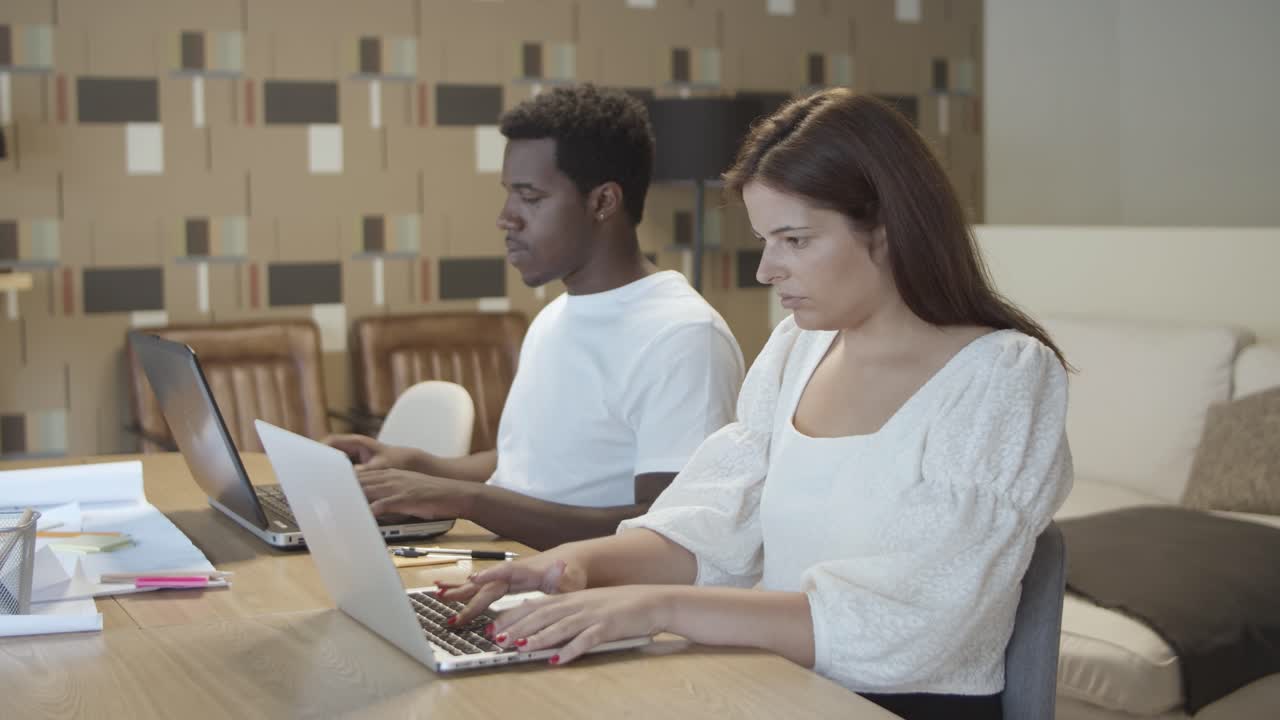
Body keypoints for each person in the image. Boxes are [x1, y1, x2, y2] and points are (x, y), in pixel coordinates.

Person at [443, 89, 1073, 720]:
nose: (766, 270)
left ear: (886, 229)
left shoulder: (1006, 376)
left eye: (794, 240)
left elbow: (914, 624)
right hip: (770, 688)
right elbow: (712, 525)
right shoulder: (797, 349)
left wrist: (656, 605)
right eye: (765, 240)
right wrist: (572, 566)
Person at [327, 85, 744, 551]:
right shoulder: (554, 317)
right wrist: (421, 468)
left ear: (603, 201)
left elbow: (666, 531)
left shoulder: (682, 337)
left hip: (589, 603)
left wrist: (467, 501)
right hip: (509, 567)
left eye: (530, 197)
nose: (507, 218)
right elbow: (530, 468)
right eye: (509, 195)